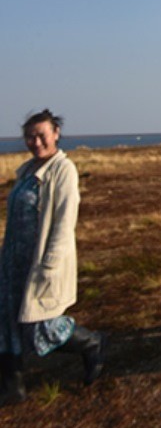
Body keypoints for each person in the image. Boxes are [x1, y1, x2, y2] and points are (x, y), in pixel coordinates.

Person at [0, 109, 107, 403]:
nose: (35, 142)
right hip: (13, 261)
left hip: (40, 264)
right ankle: (12, 387)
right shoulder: (26, 171)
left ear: (55, 134)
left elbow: (63, 223)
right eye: (30, 136)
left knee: (41, 325)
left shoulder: (62, 171)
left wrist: (50, 265)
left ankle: (91, 343)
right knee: (6, 321)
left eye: (41, 135)